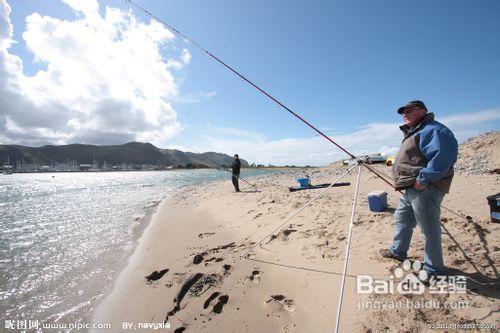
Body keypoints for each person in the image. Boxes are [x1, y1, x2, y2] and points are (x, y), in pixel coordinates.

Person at [380, 100, 458, 277]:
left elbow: (443, 158)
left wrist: (423, 180)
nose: (405, 114)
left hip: (425, 188)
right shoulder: (416, 131)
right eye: (403, 112)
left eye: (410, 111)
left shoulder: (434, 130)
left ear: (423, 111)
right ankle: (398, 251)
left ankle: (434, 270)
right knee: (402, 219)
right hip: (411, 188)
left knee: (429, 230)